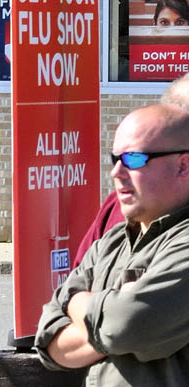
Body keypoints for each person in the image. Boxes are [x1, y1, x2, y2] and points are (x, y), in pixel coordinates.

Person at [35, 99, 189, 384]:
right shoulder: (113, 241)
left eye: (133, 159)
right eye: (114, 159)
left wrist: (79, 302)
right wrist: (112, 312)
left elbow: (126, 326)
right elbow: (49, 340)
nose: (116, 172)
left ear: (183, 165)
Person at [71, 72, 189, 267]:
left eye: (134, 159)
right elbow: (72, 287)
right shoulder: (118, 207)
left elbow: (136, 299)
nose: (116, 172)